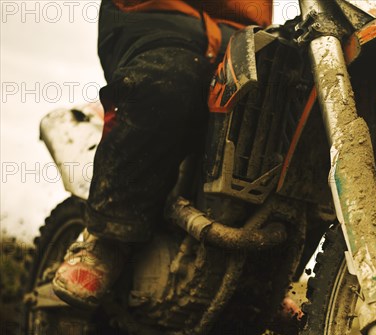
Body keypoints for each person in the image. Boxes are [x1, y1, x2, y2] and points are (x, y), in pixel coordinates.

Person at [52, 0, 274, 308]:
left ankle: (264, 278)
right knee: (170, 78)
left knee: (294, 106)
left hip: (245, 33)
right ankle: (108, 236)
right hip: (156, 13)